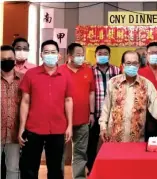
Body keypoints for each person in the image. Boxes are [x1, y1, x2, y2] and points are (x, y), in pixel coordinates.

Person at [19, 40, 73, 179]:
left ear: (59, 55)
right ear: (41, 55)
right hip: (33, 128)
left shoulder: (66, 75)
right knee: (29, 168)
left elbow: (68, 100)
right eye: (46, 52)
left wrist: (70, 126)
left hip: (57, 128)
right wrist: (21, 127)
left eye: (53, 52)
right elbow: (25, 101)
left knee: (55, 169)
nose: (50, 55)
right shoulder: (31, 74)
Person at [99, 50, 157, 142]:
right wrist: (103, 127)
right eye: (128, 63)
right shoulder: (113, 83)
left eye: (134, 63)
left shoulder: (146, 84)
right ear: (123, 65)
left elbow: (155, 104)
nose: (131, 66)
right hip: (113, 138)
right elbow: (106, 107)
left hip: (136, 139)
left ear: (138, 65)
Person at [61, 43, 95, 179]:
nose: (81, 58)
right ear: (69, 56)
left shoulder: (88, 70)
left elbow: (91, 92)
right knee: (59, 153)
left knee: (80, 153)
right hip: (62, 121)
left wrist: (91, 113)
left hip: (83, 119)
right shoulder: (60, 70)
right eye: (78, 55)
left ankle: (79, 177)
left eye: (83, 55)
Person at [86, 44, 120, 174]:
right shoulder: (90, 71)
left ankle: (110, 170)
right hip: (94, 114)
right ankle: (92, 170)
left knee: (110, 143)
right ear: (95, 55)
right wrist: (91, 113)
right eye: (100, 53)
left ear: (109, 56)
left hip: (112, 114)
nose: (102, 55)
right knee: (92, 144)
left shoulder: (116, 71)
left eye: (105, 53)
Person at [1, 45, 22, 179]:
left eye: (9, 58)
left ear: (15, 60)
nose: (6, 61)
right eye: (2, 59)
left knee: (13, 169)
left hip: (15, 132)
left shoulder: (24, 79)